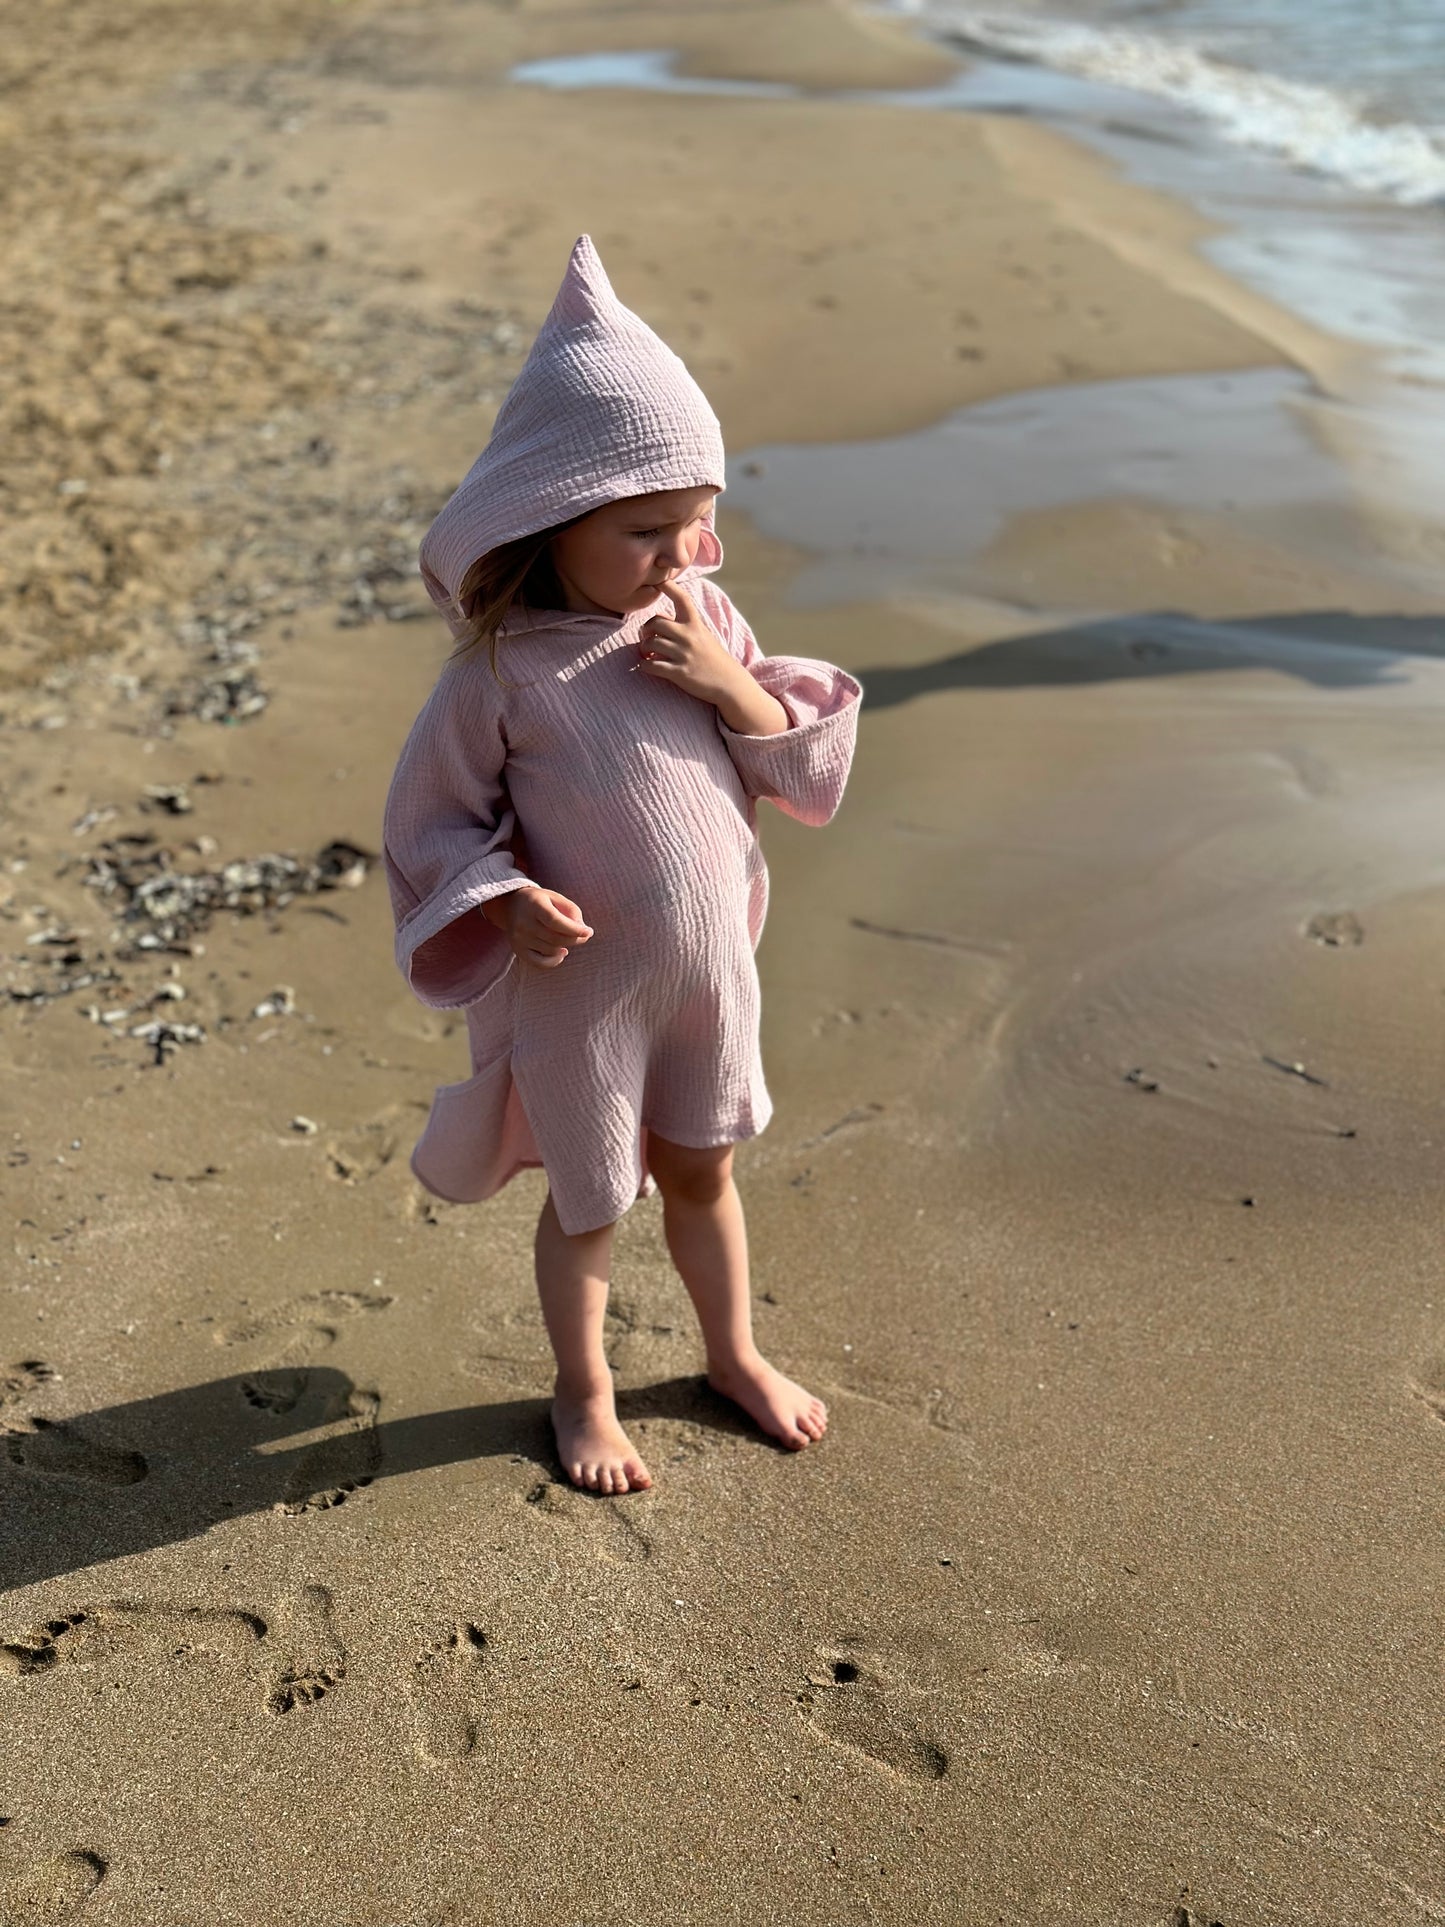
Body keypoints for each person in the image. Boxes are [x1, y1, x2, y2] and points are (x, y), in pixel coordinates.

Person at [382, 235, 863, 1496]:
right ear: (549, 522)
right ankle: (583, 1391)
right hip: (583, 995)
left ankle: (733, 1353)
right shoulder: (500, 677)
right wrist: (504, 901)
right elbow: (429, 825)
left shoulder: (701, 623)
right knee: (590, 1202)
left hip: (706, 976)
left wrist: (728, 688)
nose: (681, 556)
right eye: (646, 530)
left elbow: (795, 770)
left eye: (697, 524)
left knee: (704, 1170)